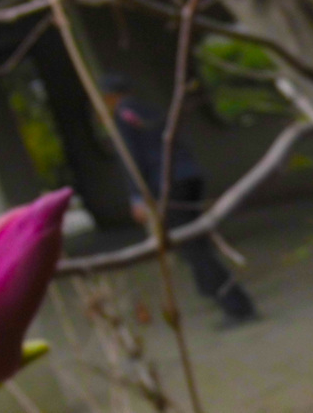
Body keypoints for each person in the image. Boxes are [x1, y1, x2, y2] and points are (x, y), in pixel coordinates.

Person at [100, 73, 258, 326]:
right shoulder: (151, 109)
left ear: (109, 97)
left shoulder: (123, 117)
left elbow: (132, 159)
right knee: (196, 242)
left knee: (192, 247)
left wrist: (137, 197)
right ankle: (217, 293)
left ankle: (236, 305)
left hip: (168, 185)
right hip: (189, 177)